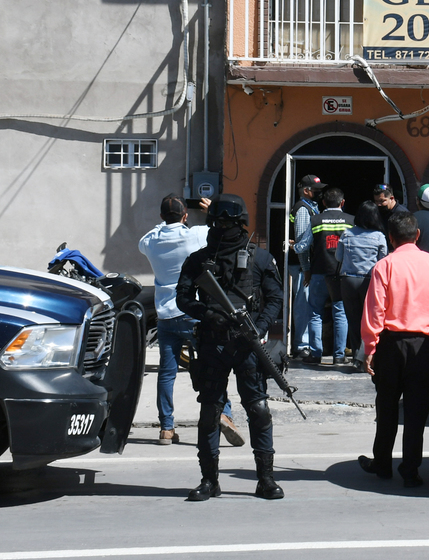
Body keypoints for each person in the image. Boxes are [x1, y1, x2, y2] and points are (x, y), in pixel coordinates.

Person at [177, 194, 285, 501]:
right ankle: (209, 480)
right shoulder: (199, 260)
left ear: (240, 224)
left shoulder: (260, 259)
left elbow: (275, 298)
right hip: (213, 344)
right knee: (210, 412)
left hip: (248, 346)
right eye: (217, 222)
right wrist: (208, 314)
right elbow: (183, 297)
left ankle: (265, 479)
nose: (222, 228)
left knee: (259, 410)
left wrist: (259, 327)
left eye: (228, 223)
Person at [138, 195, 244, 448]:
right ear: (186, 215)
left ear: (162, 217)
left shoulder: (151, 241)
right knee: (212, 364)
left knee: (167, 373)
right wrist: (210, 210)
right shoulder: (193, 235)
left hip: (164, 314)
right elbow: (217, 229)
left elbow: (146, 238)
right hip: (192, 310)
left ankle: (166, 428)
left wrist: (163, 222)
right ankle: (224, 413)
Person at [358, 212, 429, 488]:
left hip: (390, 344)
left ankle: (382, 463)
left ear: (390, 238)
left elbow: (375, 311)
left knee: (386, 407)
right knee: (416, 410)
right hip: (422, 345)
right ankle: (411, 470)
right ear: (417, 235)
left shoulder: (384, 266)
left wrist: (369, 347)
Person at [336, 200, 388, 371]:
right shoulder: (379, 236)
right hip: (369, 281)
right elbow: (383, 260)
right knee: (371, 320)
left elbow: (338, 257)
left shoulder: (347, 234)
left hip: (348, 280)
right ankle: (367, 356)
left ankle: (356, 359)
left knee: (353, 319)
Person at [305, 187, 353, 365]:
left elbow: (304, 245)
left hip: (319, 272)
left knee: (315, 313)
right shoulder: (351, 221)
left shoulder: (315, 220)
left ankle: (315, 354)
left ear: (323, 203)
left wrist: (293, 247)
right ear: (342, 202)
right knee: (340, 313)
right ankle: (339, 356)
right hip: (340, 274)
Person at [289, 175, 324, 358]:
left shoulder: (312, 207)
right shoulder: (303, 210)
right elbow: (301, 244)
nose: (319, 193)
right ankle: (301, 345)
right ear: (306, 191)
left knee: (307, 304)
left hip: (308, 266)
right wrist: (306, 268)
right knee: (303, 305)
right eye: (315, 190)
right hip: (304, 266)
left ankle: (305, 343)